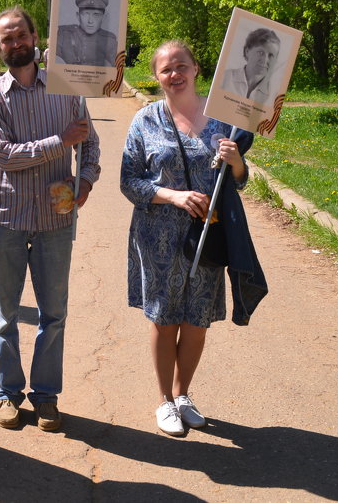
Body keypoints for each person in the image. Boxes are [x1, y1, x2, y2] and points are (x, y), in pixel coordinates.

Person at [0, 8, 100, 432]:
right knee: (5, 315)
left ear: (34, 37)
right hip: (7, 216)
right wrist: (59, 142)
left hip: (56, 221)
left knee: (54, 314)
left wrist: (83, 183)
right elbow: (5, 157)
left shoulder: (67, 91)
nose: (15, 44)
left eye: (21, 35)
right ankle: (7, 395)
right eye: (6, 39)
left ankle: (46, 397)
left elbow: (91, 149)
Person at [120, 40, 250, 437]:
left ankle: (183, 395)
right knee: (164, 319)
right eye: (165, 69)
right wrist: (173, 195)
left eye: (181, 66)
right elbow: (128, 181)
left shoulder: (223, 120)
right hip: (157, 234)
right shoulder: (145, 120)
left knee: (197, 320)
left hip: (207, 235)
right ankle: (164, 401)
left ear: (196, 68)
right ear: (156, 77)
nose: (174, 74)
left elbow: (239, 183)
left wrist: (237, 162)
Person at [55, 0, 117, 66]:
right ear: (78, 16)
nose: (90, 21)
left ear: (103, 18)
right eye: (86, 14)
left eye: (96, 15)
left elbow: (115, 71)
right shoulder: (64, 35)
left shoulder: (109, 40)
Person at [221, 28, 280, 105]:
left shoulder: (275, 94)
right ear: (247, 51)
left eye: (271, 55)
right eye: (260, 52)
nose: (265, 60)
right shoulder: (224, 78)